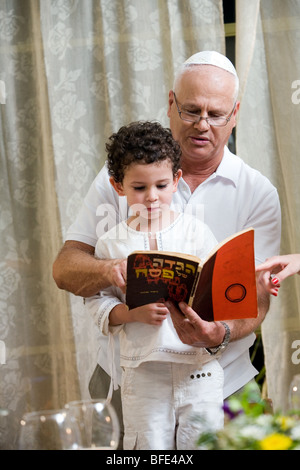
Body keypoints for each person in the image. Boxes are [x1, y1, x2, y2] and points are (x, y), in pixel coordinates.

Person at [52, 51, 281, 447]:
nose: (202, 125)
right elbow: (65, 268)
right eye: (191, 110)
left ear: (236, 113)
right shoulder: (120, 177)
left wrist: (218, 333)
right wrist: (112, 271)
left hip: (220, 379)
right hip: (130, 376)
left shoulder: (257, 192)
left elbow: (256, 294)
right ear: (171, 102)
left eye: (217, 114)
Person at [87, 120, 224, 450]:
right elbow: (96, 303)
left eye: (161, 186)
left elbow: (217, 289)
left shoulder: (196, 232)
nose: (151, 197)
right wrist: (131, 314)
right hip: (143, 368)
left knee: (206, 443)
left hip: (198, 367)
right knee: (148, 447)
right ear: (117, 185)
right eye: (139, 187)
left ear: (176, 180)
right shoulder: (110, 244)